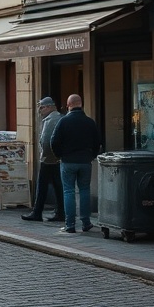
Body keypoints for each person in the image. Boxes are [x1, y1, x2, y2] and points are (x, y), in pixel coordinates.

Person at [50, 94, 101, 234]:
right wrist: (91, 155)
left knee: (68, 191)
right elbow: (97, 142)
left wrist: (60, 155)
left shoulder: (63, 122)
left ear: (68, 105)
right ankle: (86, 222)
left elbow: (54, 141)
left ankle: (70, 224)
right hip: (85, 161)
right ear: (81, 104)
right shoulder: (90, 122)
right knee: (85, 190)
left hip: (68, 161)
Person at [21, 96, 65, 222]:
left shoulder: (51, 120)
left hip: (49, 159)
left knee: (42, 186)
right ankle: (60, 212)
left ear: (49, 107)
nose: (40, 111)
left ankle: (37, 212)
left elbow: (46, 141)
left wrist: (45, 156)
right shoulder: (60, 117)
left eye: (41, 108)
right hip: (57, 159)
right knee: (58, 186)